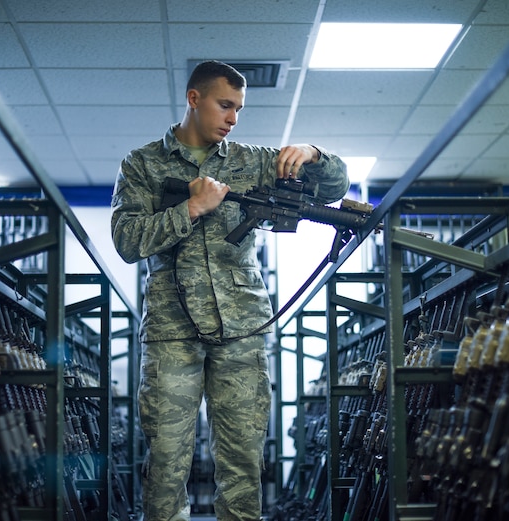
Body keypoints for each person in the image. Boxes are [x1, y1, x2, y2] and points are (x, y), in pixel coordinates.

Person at [110, 60, 350, 521]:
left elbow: (333, 189)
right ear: (194, 99)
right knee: (165, 463)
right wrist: (192, 209)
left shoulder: (253, 161)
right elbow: (126, 241)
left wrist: (313, 152)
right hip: (170, 329)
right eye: (225, 105)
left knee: (242, 461)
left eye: (239, 109)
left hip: (241, 326)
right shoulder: (141, 164)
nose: (233, 118)